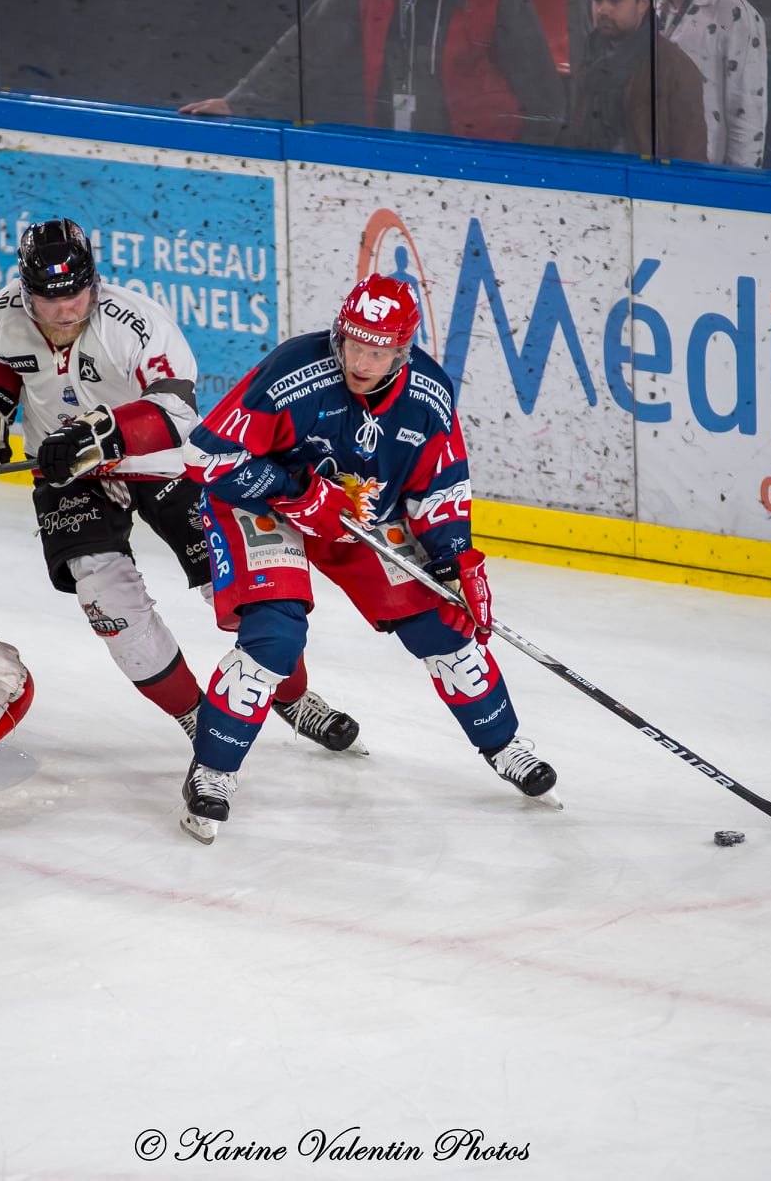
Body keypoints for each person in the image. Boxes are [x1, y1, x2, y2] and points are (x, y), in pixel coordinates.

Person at [0, 218, 362, 751]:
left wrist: (101, 433)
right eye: (50, 301)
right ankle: (194, 714)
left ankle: (292, 696)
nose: (67, 309)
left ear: (93, 281)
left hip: (162, 463)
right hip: (67, 474)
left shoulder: (135, 322)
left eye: (76, 293)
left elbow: (178, 409)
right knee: (107, 600)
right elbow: (4, 366)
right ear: (26, 294)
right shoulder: (2, 314)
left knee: (236, 584)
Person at [175, 275, 560, 844]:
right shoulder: (292, 371)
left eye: (378, 351)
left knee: (444, 625)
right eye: (354, 345)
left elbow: (440, 488)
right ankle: (211, 772)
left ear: (401, 352)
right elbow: (205, 457)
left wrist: (458, 560)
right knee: (275, 638)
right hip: (266, 504)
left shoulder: (429, 393)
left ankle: (506, 746)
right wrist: (296, 490)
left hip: (360, 515)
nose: (361, 360)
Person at [178, 0, 564, 146]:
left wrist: (534, 166)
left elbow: (541, 93)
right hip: (387, 151)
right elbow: (309, 43)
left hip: (477, 157)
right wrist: (241, 103)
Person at [565, 0, 707, 161]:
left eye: (615, 1)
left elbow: (690, 163)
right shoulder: (589, 56)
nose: (602, 10)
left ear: (643, 3)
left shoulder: (674, 70)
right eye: (597, 0)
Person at [652, 0, 769, 167]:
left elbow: (746, 118)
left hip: (703, 178)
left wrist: (737, 191)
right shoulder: (647, 7)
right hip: (651, 171)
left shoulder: (735, 15)